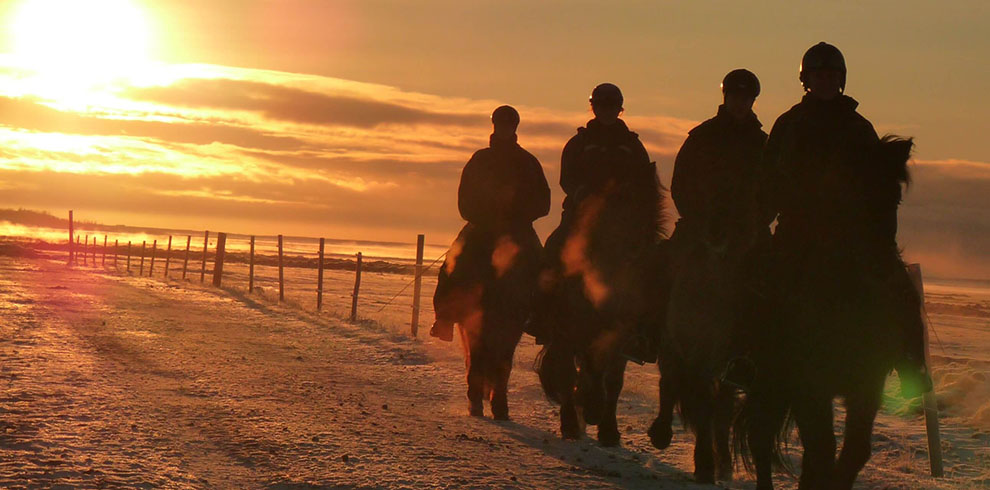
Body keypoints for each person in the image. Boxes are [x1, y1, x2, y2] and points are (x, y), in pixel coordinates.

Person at [761, 42, 932, 396]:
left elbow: (880, 183)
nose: (825, 81)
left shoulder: (858, 126)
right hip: (799, 231)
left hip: (852, 235)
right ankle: (749, 360)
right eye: (818, 75)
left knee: (900, 291)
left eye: (831, 75)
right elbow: (767, 178)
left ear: (841, 80)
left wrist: (879, 234)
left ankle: (910, 369)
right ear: (806, 80)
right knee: (760, 286)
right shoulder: (789, 124)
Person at [529, 83, 659, 363]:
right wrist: (581, 193)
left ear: (619, 109)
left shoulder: (633, 145)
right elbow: (566, 177)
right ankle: (540, 317)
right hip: (580, 218)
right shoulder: (579, 143)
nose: (607, 111)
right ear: (594, 108)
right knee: (553, 250)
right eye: (602, 106)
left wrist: (627, 201)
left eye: (612, 106)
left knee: (649, 266)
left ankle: (643, 332)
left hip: (620, 222)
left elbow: (644, 182)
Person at [669, 69, 770, 388]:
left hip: (748, 231)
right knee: (662, 266)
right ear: (725, 97)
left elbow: (774, 189)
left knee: (775, 280)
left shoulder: (763, 144)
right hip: (702, 227)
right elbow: (681, 184)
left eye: (746, 98)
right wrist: (700, 221)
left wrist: (756, 222)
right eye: (735, 96)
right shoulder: (702, 137)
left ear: (753, 101)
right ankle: (645, 333)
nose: (740, 103)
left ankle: (755, 352)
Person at [430, 105, 550, 342]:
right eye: (501, 124)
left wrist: (517, 216)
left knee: (542, 266)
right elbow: (464, 200)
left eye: (509, 125)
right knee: (452, 263)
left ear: (515, 127)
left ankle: (543, 320)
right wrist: (482, 215)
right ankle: (444, 319)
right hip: (482, 226)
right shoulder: (480, 160)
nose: (505, 129)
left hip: (517, 229)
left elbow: (543, 202)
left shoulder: (527, 162)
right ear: (494, 125)